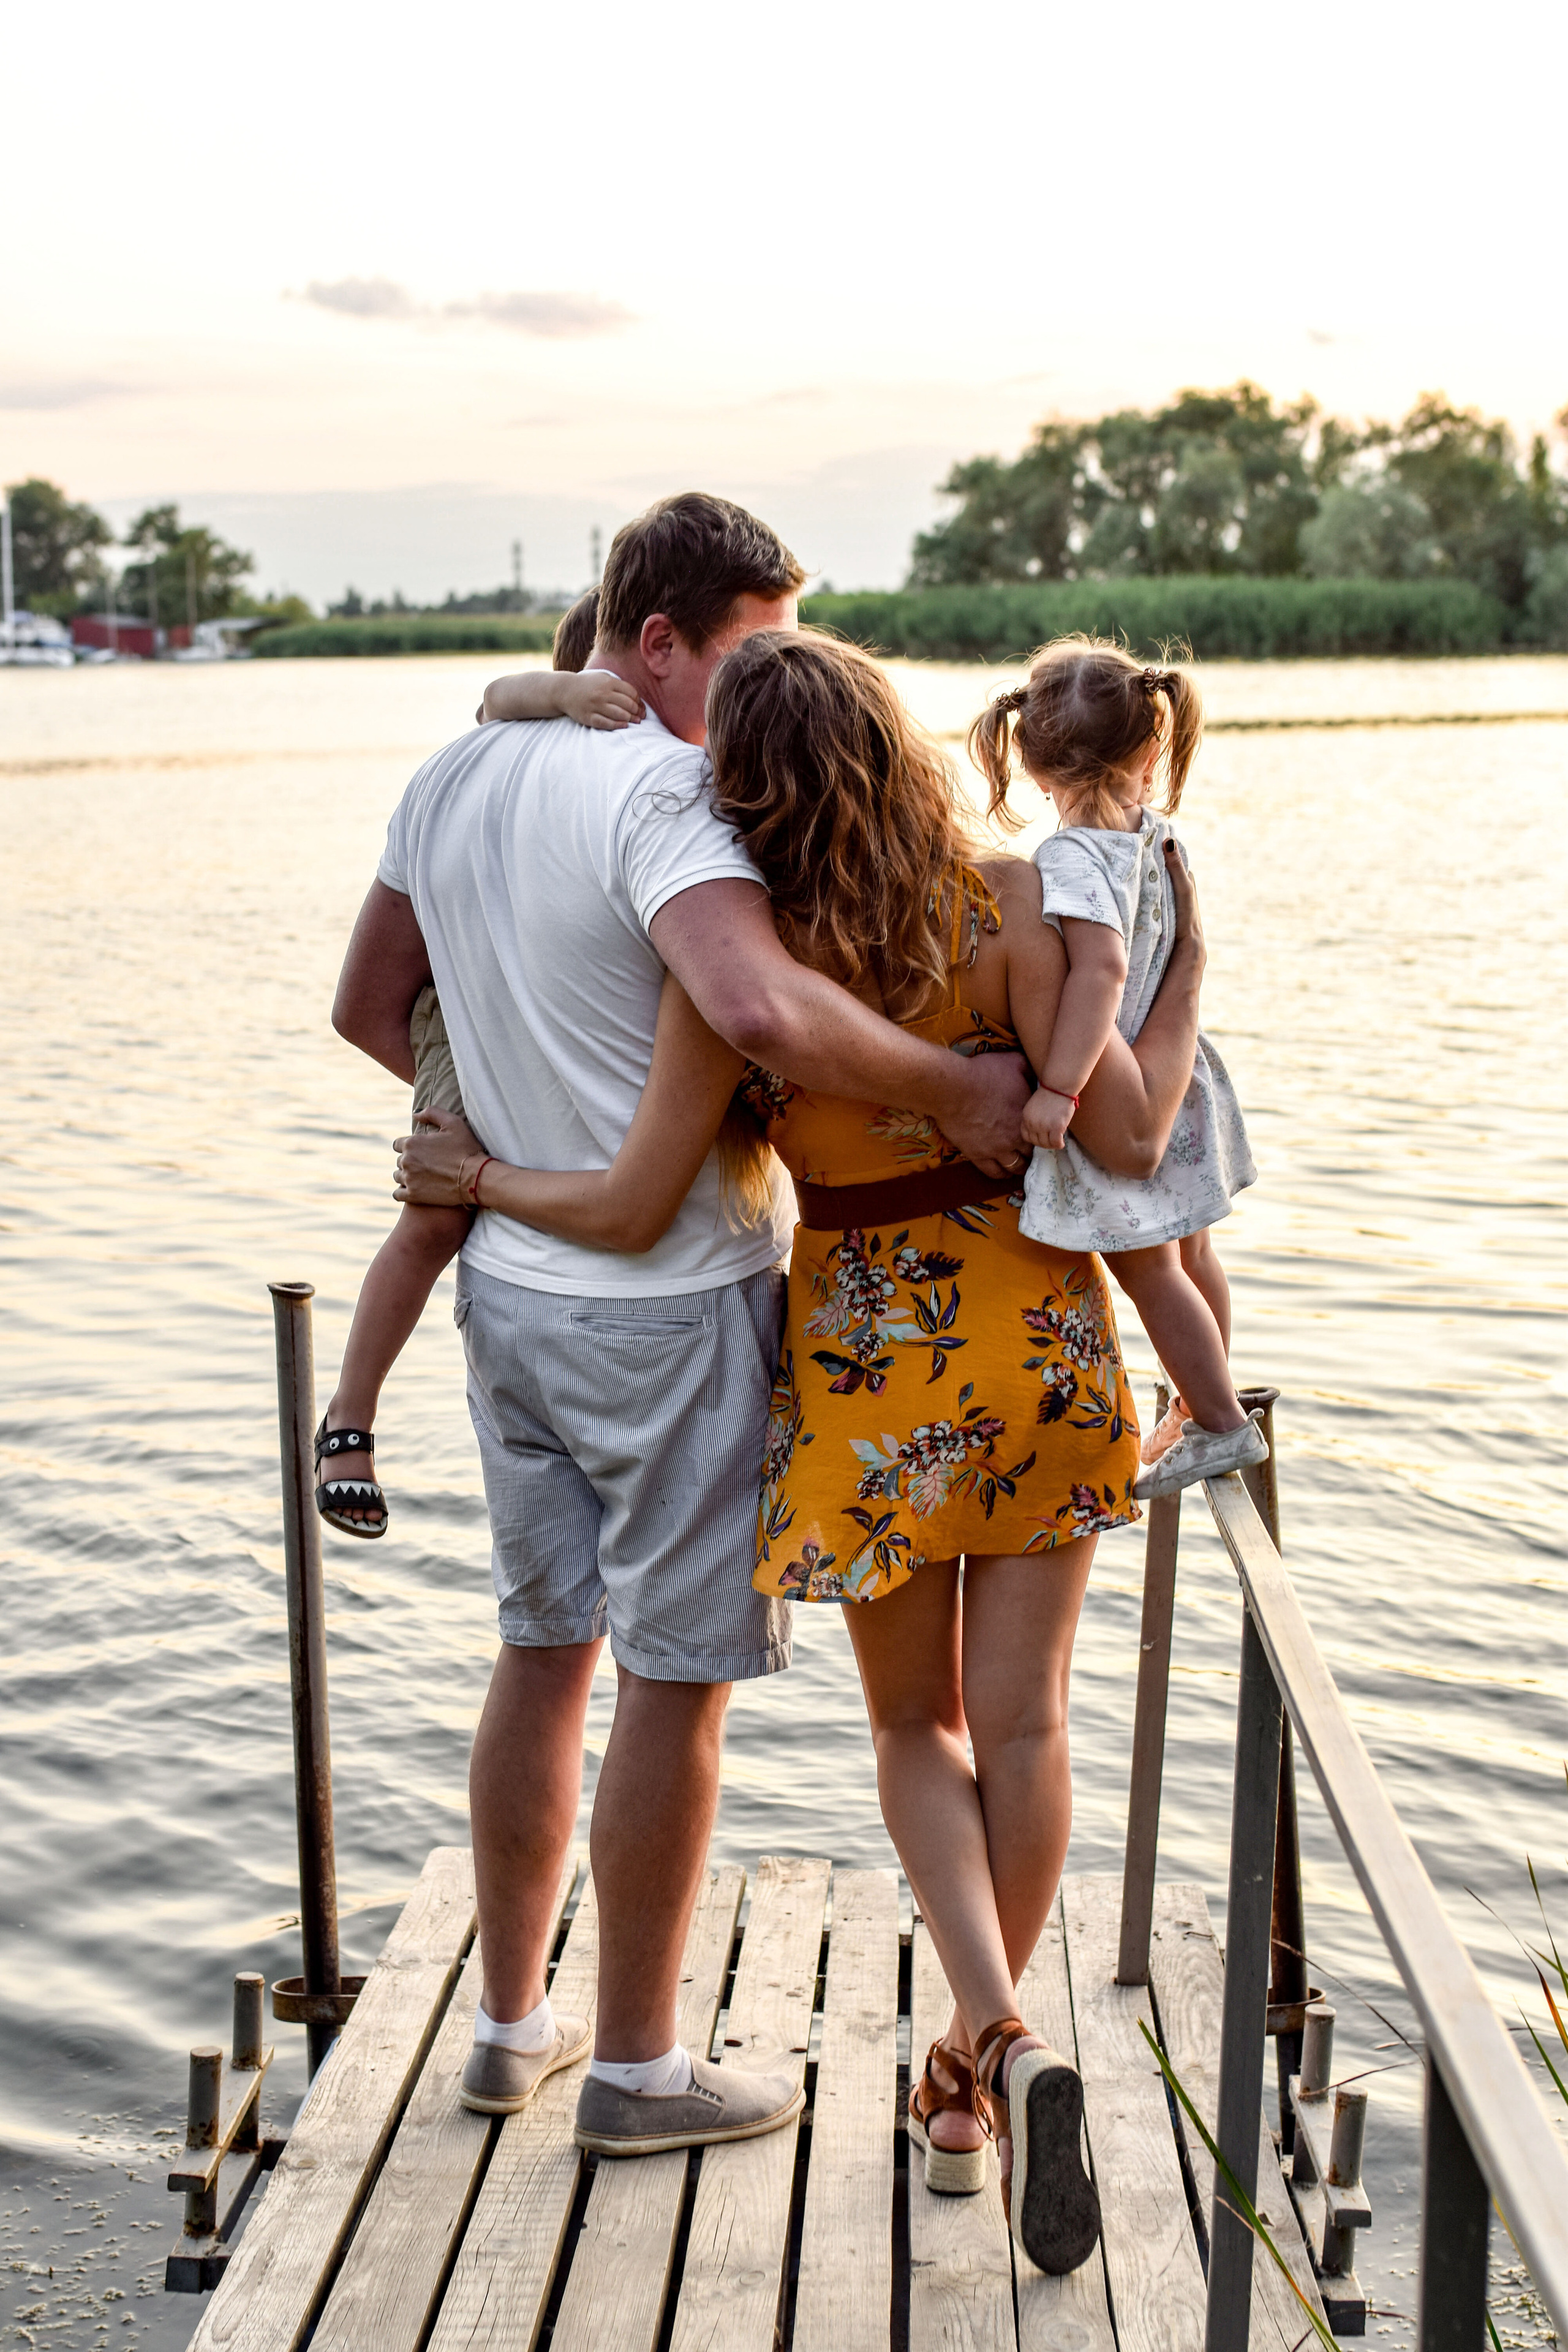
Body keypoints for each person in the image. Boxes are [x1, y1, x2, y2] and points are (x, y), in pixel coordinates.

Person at [394, 627, 1209, 2271]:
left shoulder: (754, 970)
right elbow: (1127, 1139)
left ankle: (995, 2031)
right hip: (1044, 1343)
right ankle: (978, 2084)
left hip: (863, 1365)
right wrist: (1182, 973)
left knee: (919, 1726)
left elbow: (643, 1169)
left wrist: (469, 1171)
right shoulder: (1018, 903)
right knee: (1032, 1723)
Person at [330, 494, 1038, 2162]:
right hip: (666, 1305)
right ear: (655, 642)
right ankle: (641, 2070)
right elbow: (751, 1004)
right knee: (672, 1684)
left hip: (510, 1296)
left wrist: (492, 1140)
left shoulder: (451, 770)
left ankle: (510, 2029)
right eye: (749, 654)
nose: (766, 689)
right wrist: (956, 1088)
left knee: (538, 1649)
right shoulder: (664, 786)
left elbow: (368, 1003)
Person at [313, 590, 645, 1539]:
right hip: (454, 1021)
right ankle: (350, 1418)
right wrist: (570, 695)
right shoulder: (535, 714)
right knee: (432, 1219)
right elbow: (499, 692)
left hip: (493, 1021)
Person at [968, 638, 1265, 1498]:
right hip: (1185, 1075)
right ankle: (1203, 1403)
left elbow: (1098, 973)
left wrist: (1059, 1089)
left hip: (1116, 1072)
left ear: (1030, 763)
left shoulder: (1070, 858)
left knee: (1148, 1270)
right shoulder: (1155, 836)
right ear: (1149, 750)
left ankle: (1217, 1421)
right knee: (1194, 1249)